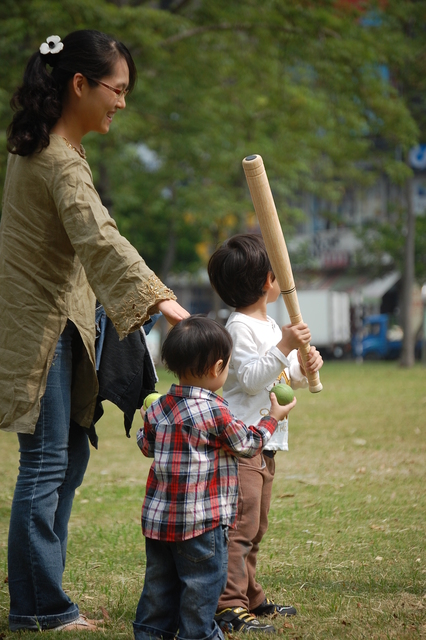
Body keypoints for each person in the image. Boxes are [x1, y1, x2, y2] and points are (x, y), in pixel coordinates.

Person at [0, 30, 189, 632]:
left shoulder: (46, 150)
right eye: (118, 89)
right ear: (79, 84)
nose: (122, 103)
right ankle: (39, 607)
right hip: (43, 331)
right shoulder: (57, 159)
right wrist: (160, 299)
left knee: (67, 456)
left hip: (63, 325)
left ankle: (38, 594)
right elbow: (99, 237)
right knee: (45, 464)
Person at [133, 315, 297, 640]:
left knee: (158, 587)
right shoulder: (216, 412)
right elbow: (248, 445)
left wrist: (145, 422)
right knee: (202, 586)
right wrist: (273, 418)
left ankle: (151, 634)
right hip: (202, 524)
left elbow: (147, 446)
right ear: (217, 367)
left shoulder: (158, 408)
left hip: (159, 525)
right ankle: (198, 635)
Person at [207, 234, 323, 633]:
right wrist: (284, 345)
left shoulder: (269, 324)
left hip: (266, 443)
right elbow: (253, 379)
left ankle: (251, 597)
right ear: (266, 281)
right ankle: (228, 604)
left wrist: (304, 369)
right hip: (243, 446)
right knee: (241, 528)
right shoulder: (239, 327)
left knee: (256, 527)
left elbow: (281, 380)